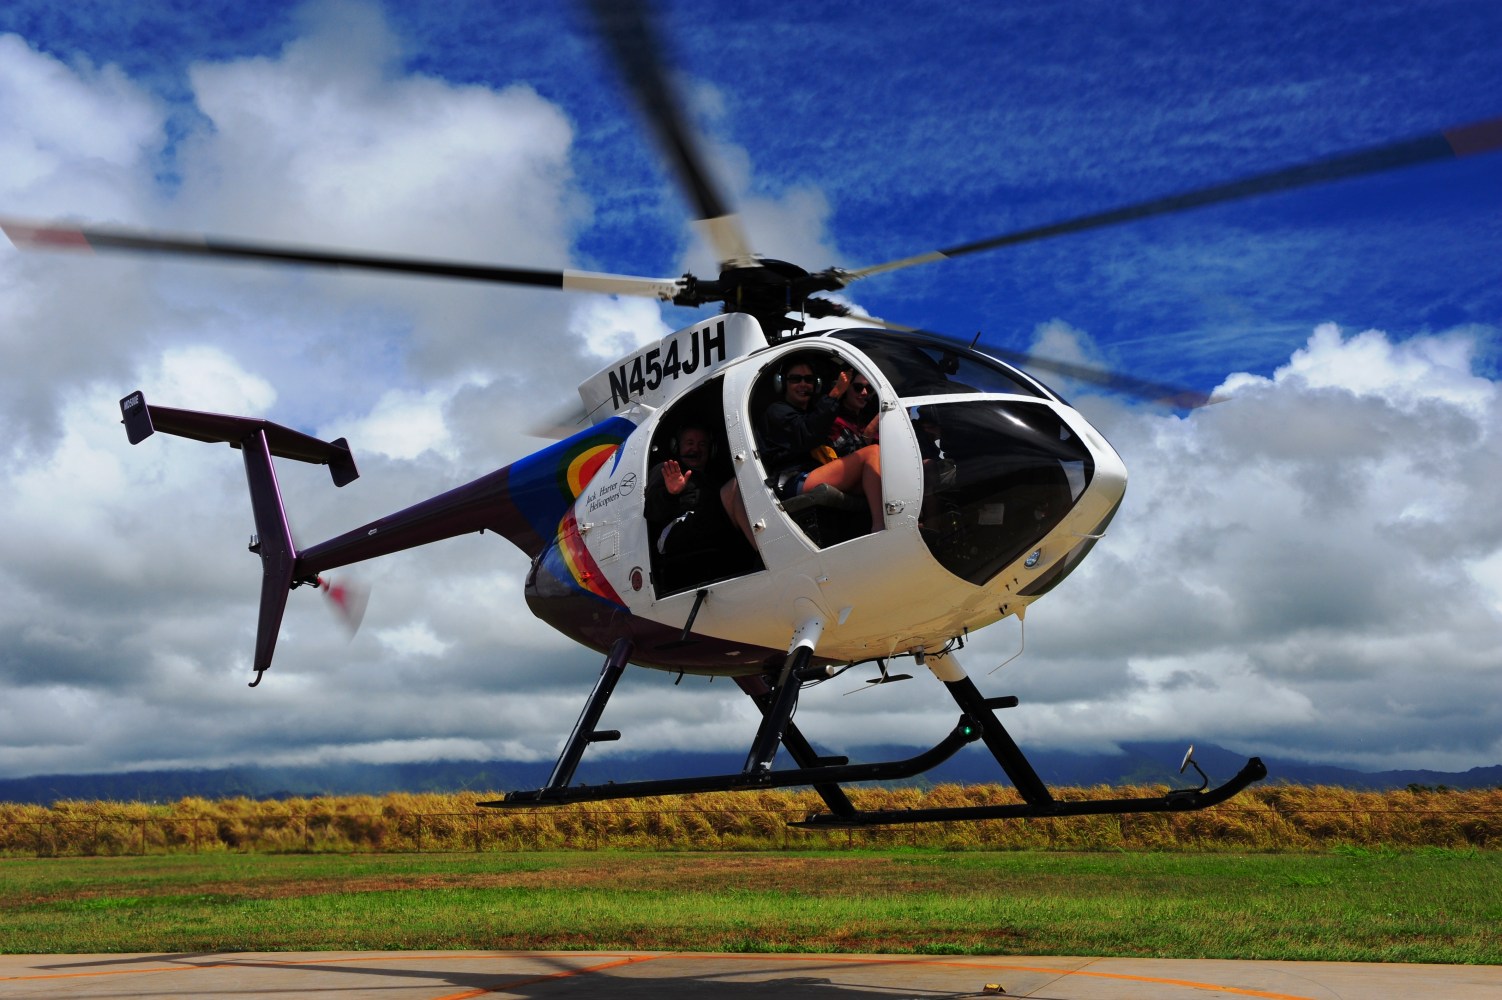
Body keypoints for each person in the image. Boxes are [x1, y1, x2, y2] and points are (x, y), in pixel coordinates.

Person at [723, 358, 884, 543]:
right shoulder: (777, 412)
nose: (803, 384)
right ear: (782, 383)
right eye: (796, 379)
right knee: (872, 453)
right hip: (792, 480)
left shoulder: (812, 412)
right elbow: (807, 433)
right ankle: (880, 528)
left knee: (871, 472)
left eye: (808, 379)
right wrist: (835, 394)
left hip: (810, 473)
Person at [645, 423, 725, 556]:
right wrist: (670, 493)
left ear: (711, 450)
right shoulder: (667, 471)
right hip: (677, 536)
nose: (696, 449)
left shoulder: (716, 481)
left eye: (702, 444)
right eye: (690, 443)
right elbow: (652, 513)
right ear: (676, 447)